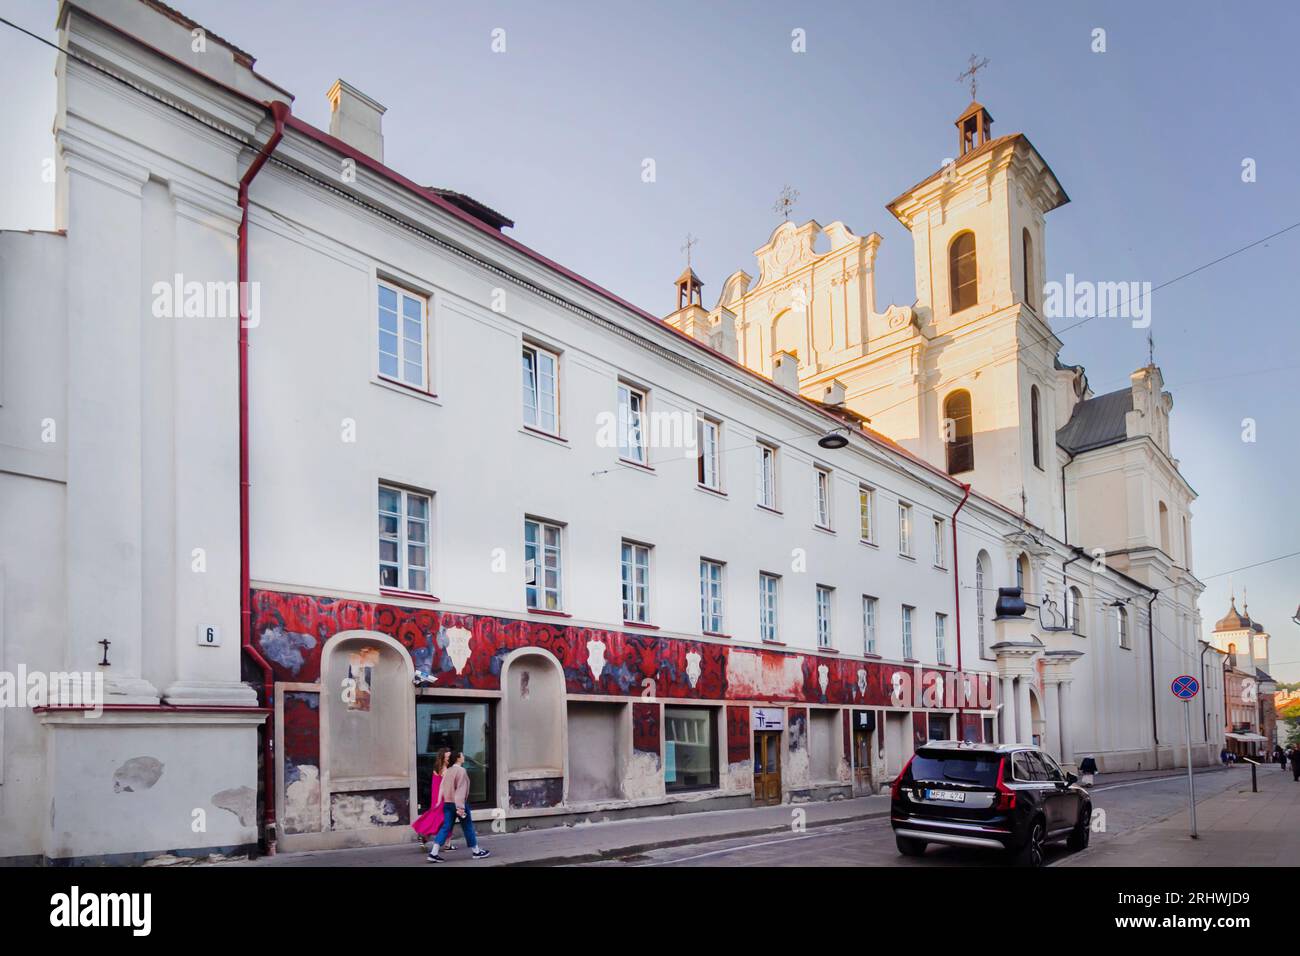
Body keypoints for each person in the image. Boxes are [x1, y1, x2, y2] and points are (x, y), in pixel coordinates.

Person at [427, 750, 490, 862]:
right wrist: (460, 807)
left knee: (446, 828)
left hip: (448, 804)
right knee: (468, 827)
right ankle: (476, 852)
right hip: (458, 804)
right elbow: (461, 790)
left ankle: (433, 853)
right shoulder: (461, 771)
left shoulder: (448, 771)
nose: (463, 757)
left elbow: (442, 786)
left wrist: (439, 801)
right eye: (462, 755)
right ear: (458, 758)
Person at [411, 749, 456, 852]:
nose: (450, 758)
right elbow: (447, 784)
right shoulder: (445, 769)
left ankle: (425, 837)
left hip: (436, 797)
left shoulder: (437, 767)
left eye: (450, 756)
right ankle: (446, 844)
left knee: (437, 817)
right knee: (446, 819)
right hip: (443, 797)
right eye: (448, 757)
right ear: (443, 758)